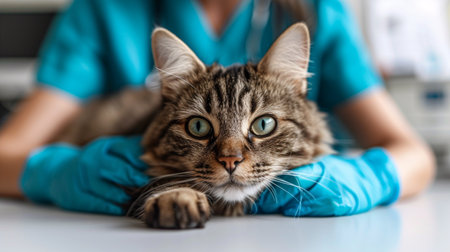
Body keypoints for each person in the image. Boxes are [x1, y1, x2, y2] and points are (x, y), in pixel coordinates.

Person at [0, 0, 435, 216]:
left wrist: (363, 178)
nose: (231, 156)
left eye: (262, 124)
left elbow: (415, 156)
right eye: (200, 127)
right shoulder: (104, 9)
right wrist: (58, 173)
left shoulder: (317, 9)